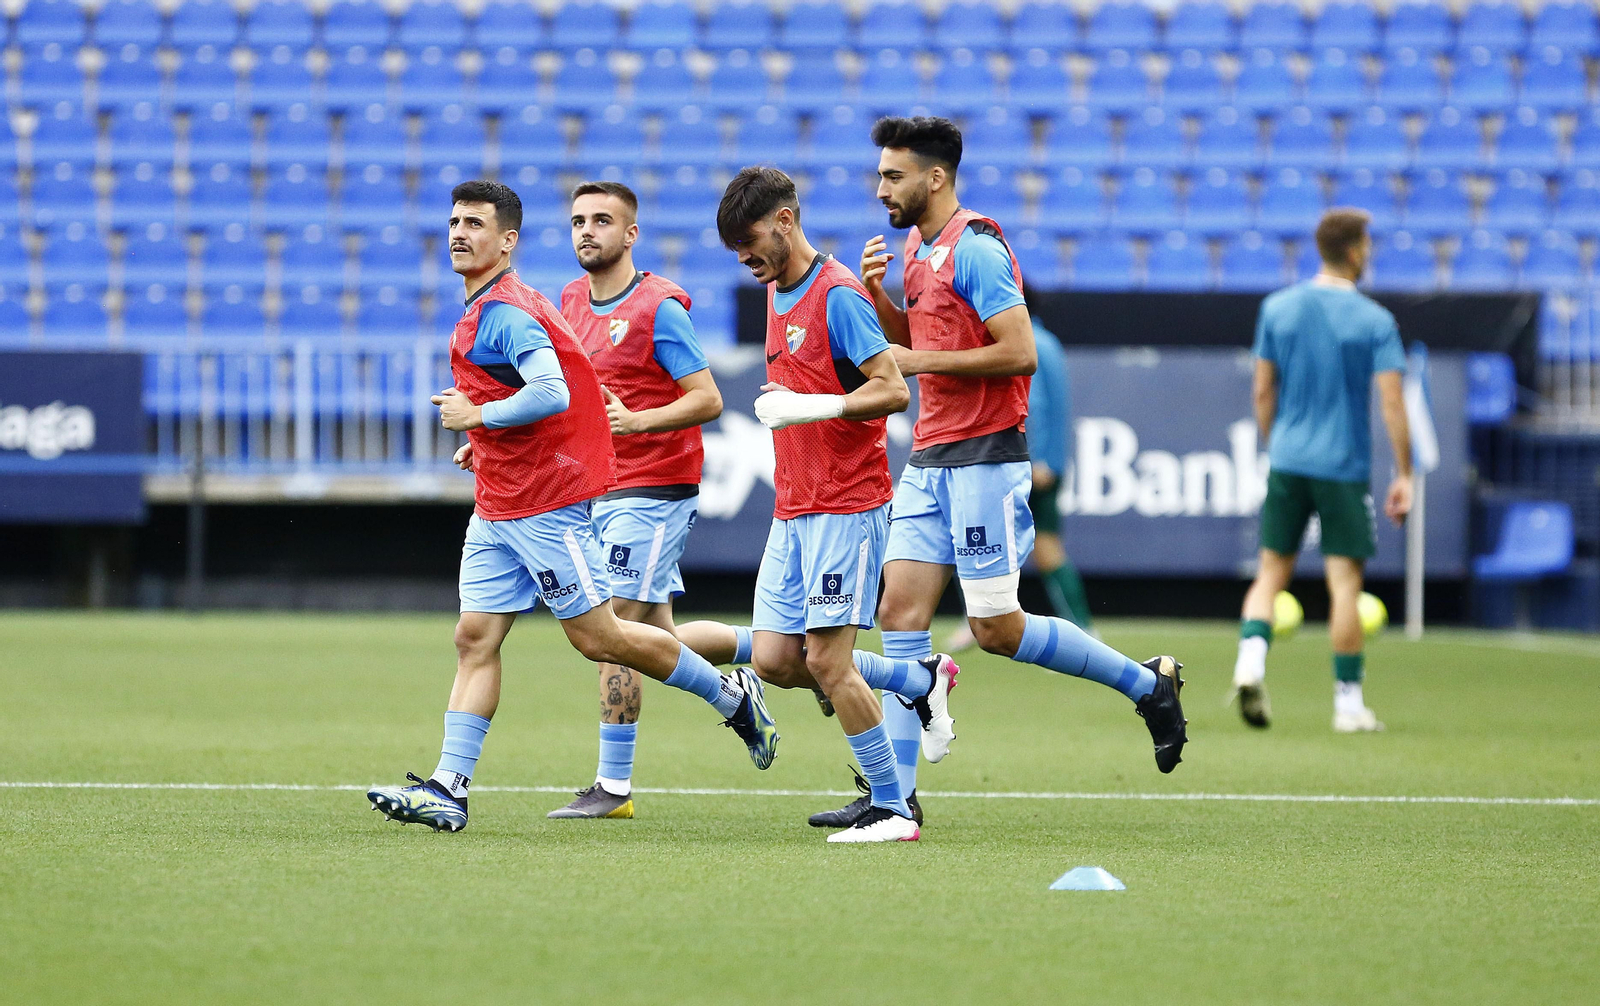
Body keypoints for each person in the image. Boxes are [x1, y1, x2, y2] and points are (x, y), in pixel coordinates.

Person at [810, 116, 1189, 831]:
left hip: (985, 457)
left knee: (995, 629)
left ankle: (1146, 685)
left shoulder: (979, 249)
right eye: (880, 175)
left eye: (893, 176)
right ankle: (895, 798)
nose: (880, 189)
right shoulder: (917, 248)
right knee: (900, 615)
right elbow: (921, 342)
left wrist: (917, 360)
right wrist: (883, 302)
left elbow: (1020, 353)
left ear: (936, 178)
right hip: (930, 456)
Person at [366, 180, 778, 833]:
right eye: (454, 222)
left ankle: (730, 697)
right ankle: (449, 788)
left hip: (548, 507)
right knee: (475, 637)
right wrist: (486, 439)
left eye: (475, 224)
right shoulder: (521, 304)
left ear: (507, 241)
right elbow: (574, 387)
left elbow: (553, 390)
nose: (459, 233)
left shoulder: (508, 312)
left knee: (603, 640)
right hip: (498, 504)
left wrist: (480, 416)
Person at [696, 165, 958, 843]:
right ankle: (917, 679)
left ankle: (893, 807)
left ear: (785, 221)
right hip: (794, 507)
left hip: (846, 504)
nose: (744, 257)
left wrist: (814, 406)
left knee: (828, 663)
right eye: (735, 249)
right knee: (775, 659)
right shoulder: (775, 288)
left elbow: (893, 389)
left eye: (750, 241)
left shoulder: (838, 294)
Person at [545, 181, 725, 821]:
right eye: (578, 221)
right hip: (599, 486)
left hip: (653, 485)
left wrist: (639, 422)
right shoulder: (571, 299)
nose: (587, 231)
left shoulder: (658, 307)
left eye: (602, 220)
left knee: (610, 628)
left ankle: (613, 787)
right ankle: (799, 658)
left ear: (631, 234)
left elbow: (708, 398)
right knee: (657, 635)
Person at [1232, 208, 1412, 733]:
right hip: (1342, 466)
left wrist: (1278, 444)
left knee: (1271, 573)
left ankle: (1250, 663)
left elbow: (1262, 390)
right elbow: (1392, 403)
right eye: (1367, 245)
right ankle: (1348, 705)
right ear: (1354, 251)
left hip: (1288, 460)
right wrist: (1404, 472)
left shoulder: (1278, 307)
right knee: (1345, 584)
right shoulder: (1374, 320)